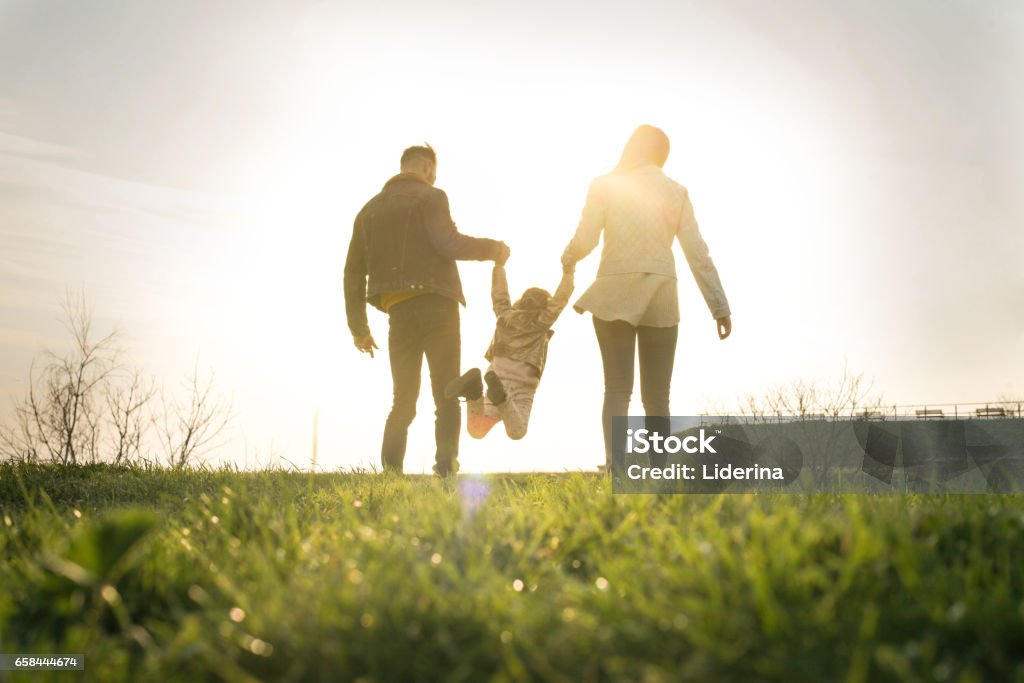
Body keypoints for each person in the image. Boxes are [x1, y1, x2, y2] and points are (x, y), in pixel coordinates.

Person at [561, 125, 732, 472]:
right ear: (662, 155)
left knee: (617, 387)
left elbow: (587, 238)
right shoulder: (676, 192)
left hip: (613, 291)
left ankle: (616, 467)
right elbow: (697, 252)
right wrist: (719, 307)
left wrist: (568, 258)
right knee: (657, 398)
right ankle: (658, 471)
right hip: (661, 294)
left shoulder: (605, 185)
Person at [344, 144, 510, 476]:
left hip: (398, 312)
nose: (434, 178)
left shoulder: (368, 212)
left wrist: (359, 328)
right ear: (424, 168)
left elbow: (352, 273)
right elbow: (449, 242)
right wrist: (493, 249)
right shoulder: (432, 198)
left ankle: (391, 474)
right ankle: (446, 468)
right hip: (438, 304)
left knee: (402, 401)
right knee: (446, 391)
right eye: (433, 172)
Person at [444, 259, 575, 440]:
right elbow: (560, 300)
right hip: (522, 388)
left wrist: (499, 266)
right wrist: (569, 273)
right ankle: (501, 398)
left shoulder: (504, 316)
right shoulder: (541, 322)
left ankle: (474, 391)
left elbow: (499, 296)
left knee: (476, 430)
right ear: (545, 306)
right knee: (517, 432)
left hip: (496, 379)